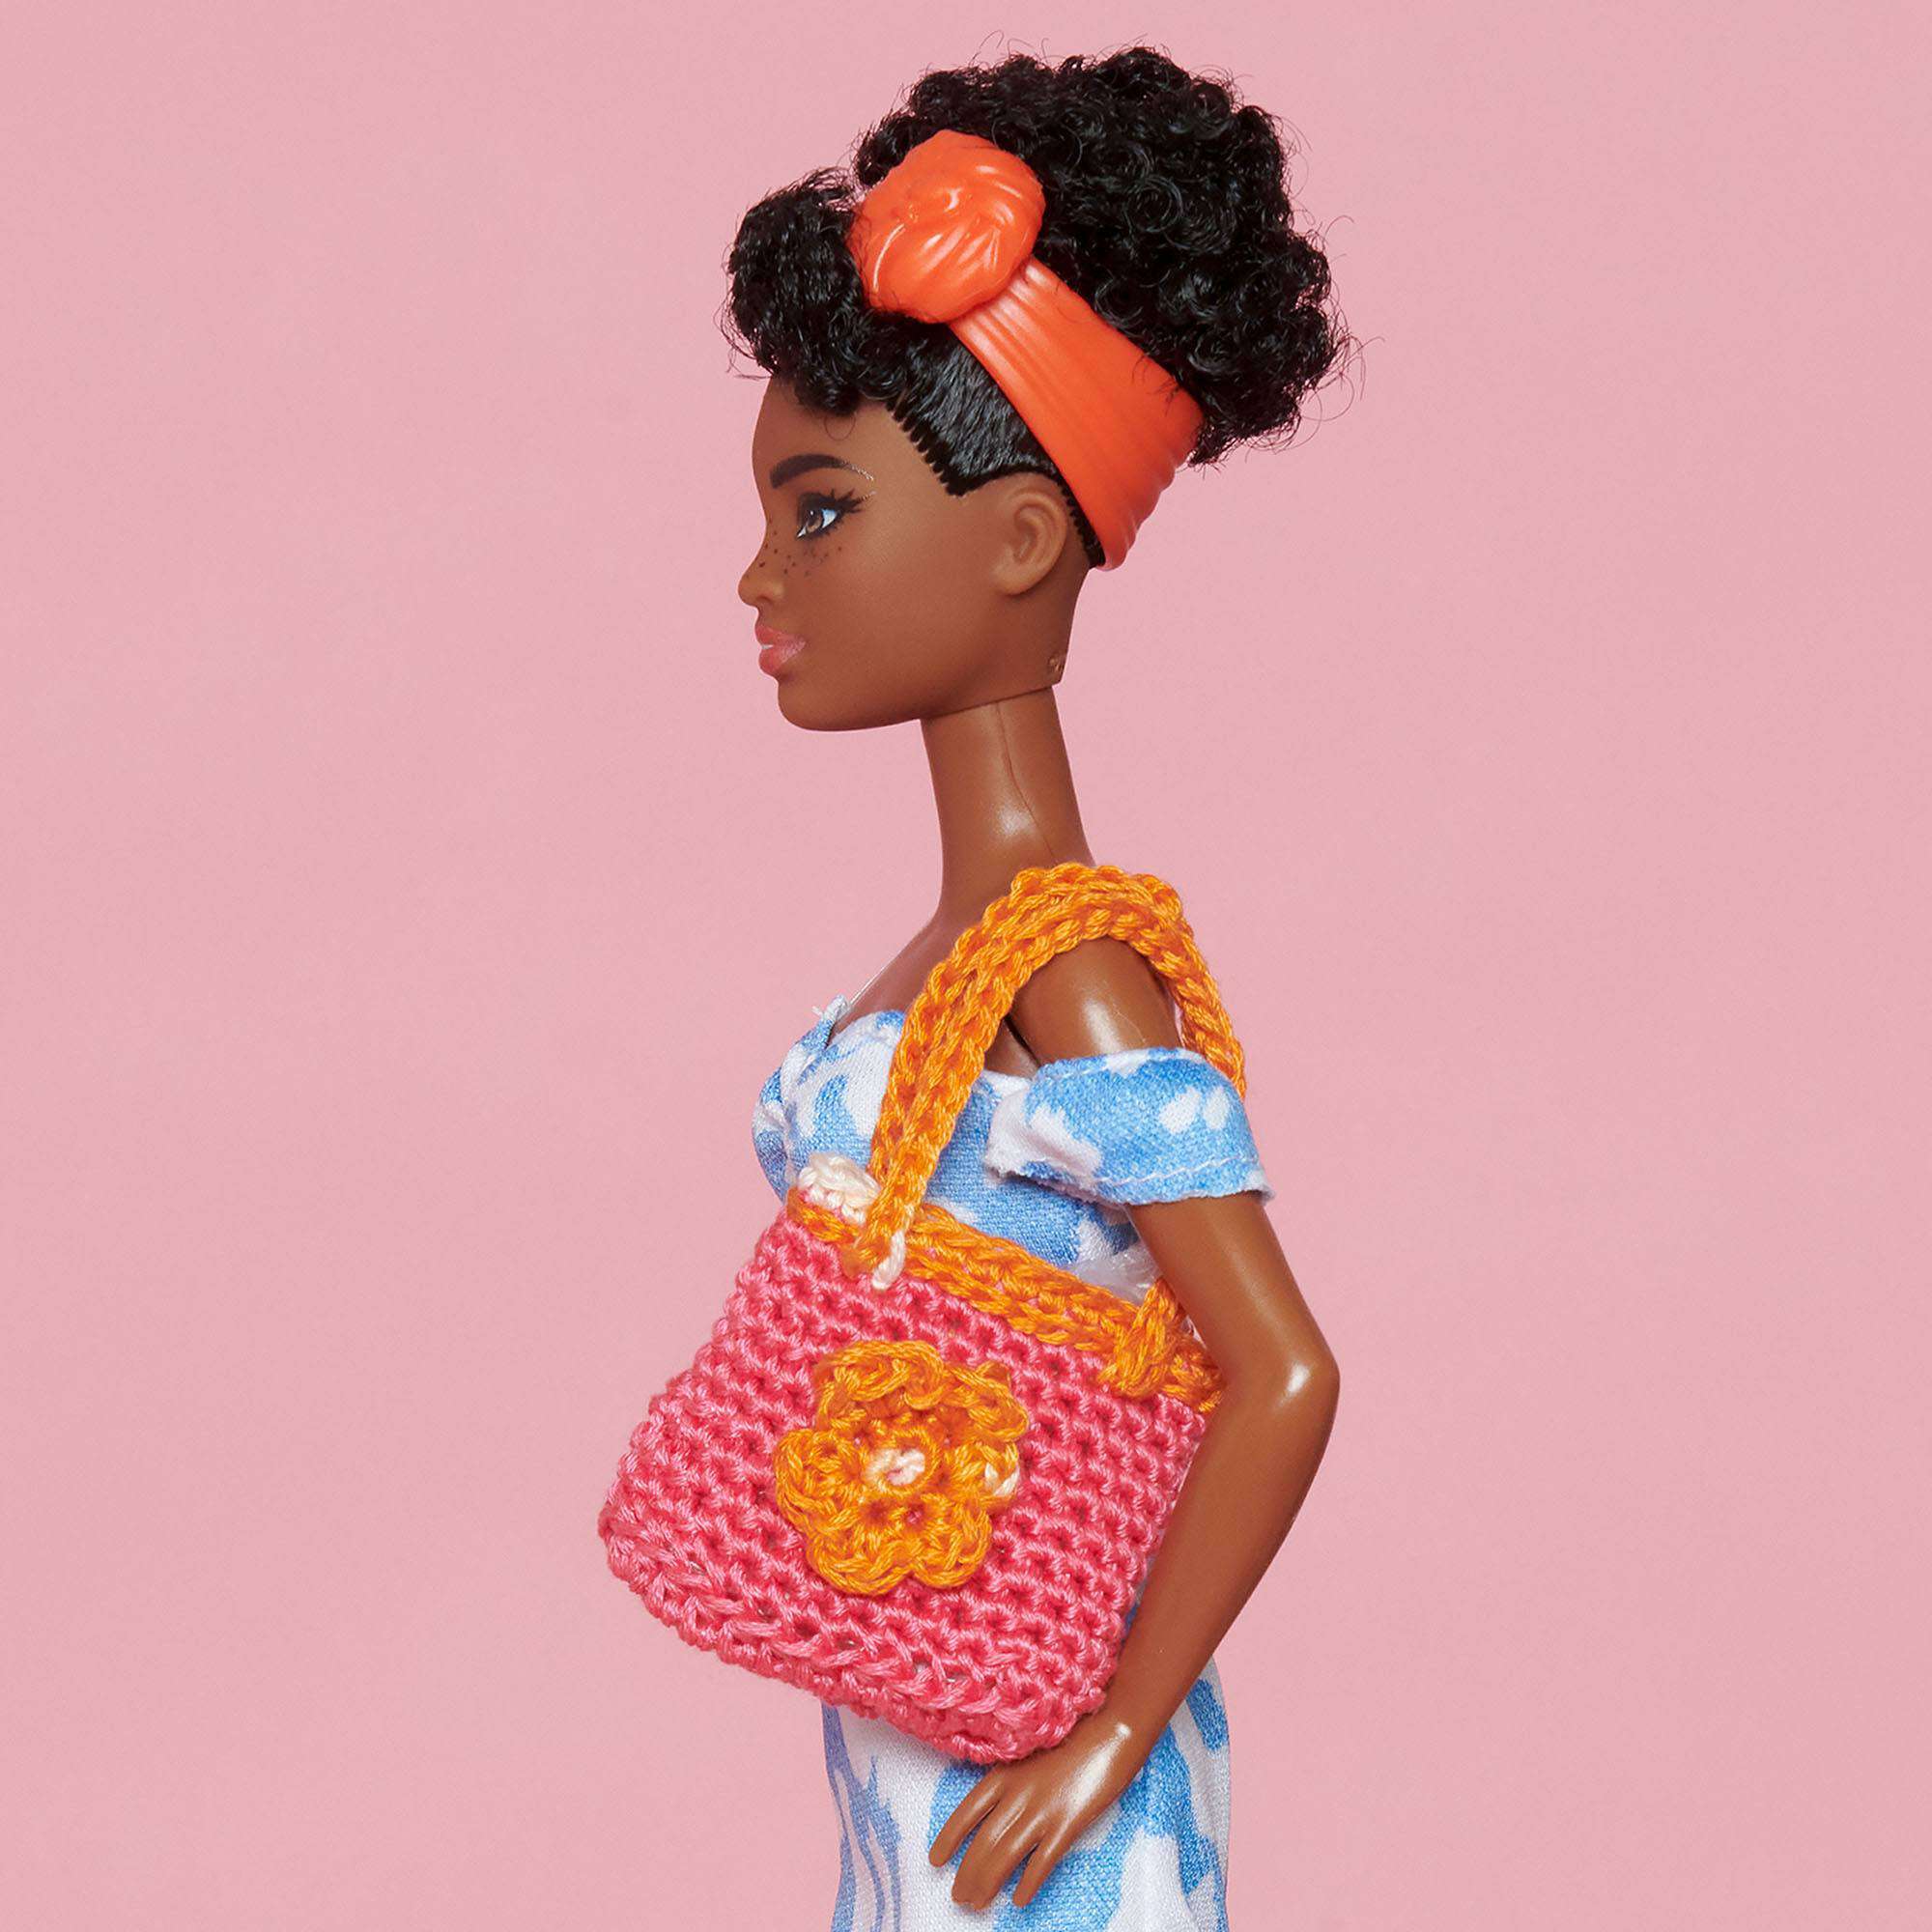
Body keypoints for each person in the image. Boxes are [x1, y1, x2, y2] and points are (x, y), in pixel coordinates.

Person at [725, 46, 1350, 1926]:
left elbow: (1282, 1369)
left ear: (1013, 539)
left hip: (1043, 1768)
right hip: (909, 1731)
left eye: (819, 511)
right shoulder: (966, 944)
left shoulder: (1065, 966)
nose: (760, 578)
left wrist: (1115, 1730)